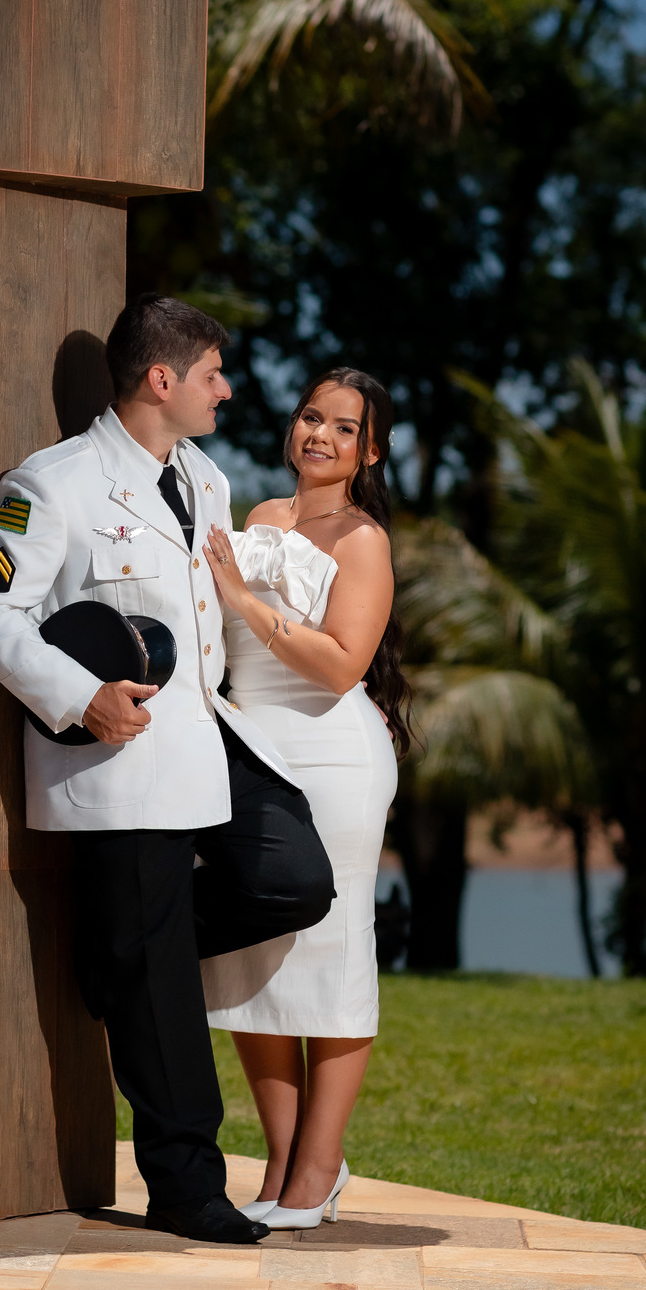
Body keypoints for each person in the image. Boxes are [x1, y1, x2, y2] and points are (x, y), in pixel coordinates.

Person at [0, 296, 336, 1246]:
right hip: (118, 760)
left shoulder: (203, 477)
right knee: (161, 983)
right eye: (213, 372)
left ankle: (117, 961)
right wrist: (80, 694)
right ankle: (186, 1190)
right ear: (162, 380)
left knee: (294, 878)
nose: (227, 389)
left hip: (204, 740)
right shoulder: (51, 485)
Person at [200, 368, 412, 1228]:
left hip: (332, 757)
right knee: (252, 947)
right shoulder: (258, 517)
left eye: (344, 427)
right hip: (253, 749)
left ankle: (319, 1168)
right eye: (311, 416)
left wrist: (240, 599)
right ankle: (282, 1160)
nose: (319, 434)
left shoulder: (362, 540)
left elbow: (340, 664)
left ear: (371, 451)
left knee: (331, 951)